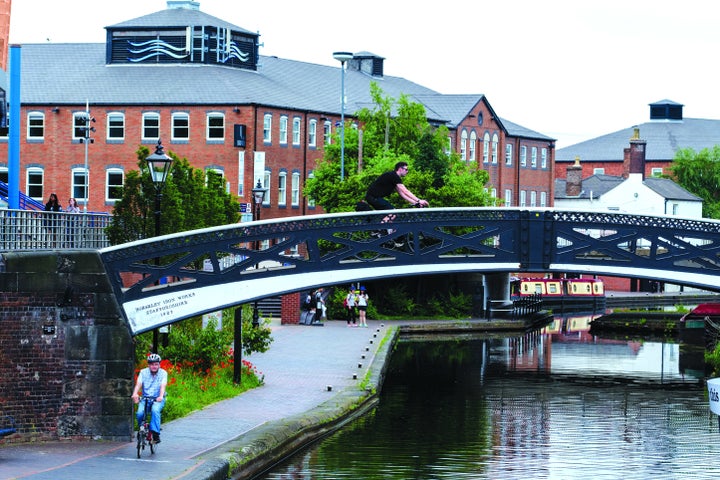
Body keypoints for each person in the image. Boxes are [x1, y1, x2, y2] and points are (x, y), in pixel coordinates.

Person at [132, 353, 167, 443]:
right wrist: (135, 393)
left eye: (156, 364)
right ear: (148, 365)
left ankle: (155, 434)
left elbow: (163, 386)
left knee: (155, 410)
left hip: (157, 399)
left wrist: (160, 396)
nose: (154, 366)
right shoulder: (143, 372)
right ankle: (141, 429)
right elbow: (138, 384)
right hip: (145, 398)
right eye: (152, 364)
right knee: (140, 413)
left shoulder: (163, 373)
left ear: (159, 364)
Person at [364, 161, 429, 211]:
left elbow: (402, 194)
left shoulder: (393, 178)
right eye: (406, 169)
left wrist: (415, 203)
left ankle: (383, 228)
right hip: (374, 198)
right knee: (392, 212)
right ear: (400, 169)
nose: (407, 171)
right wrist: (419, 200)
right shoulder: (394, 176)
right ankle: (381, 228)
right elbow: (405, 191)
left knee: (391, 213)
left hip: (373, 198)